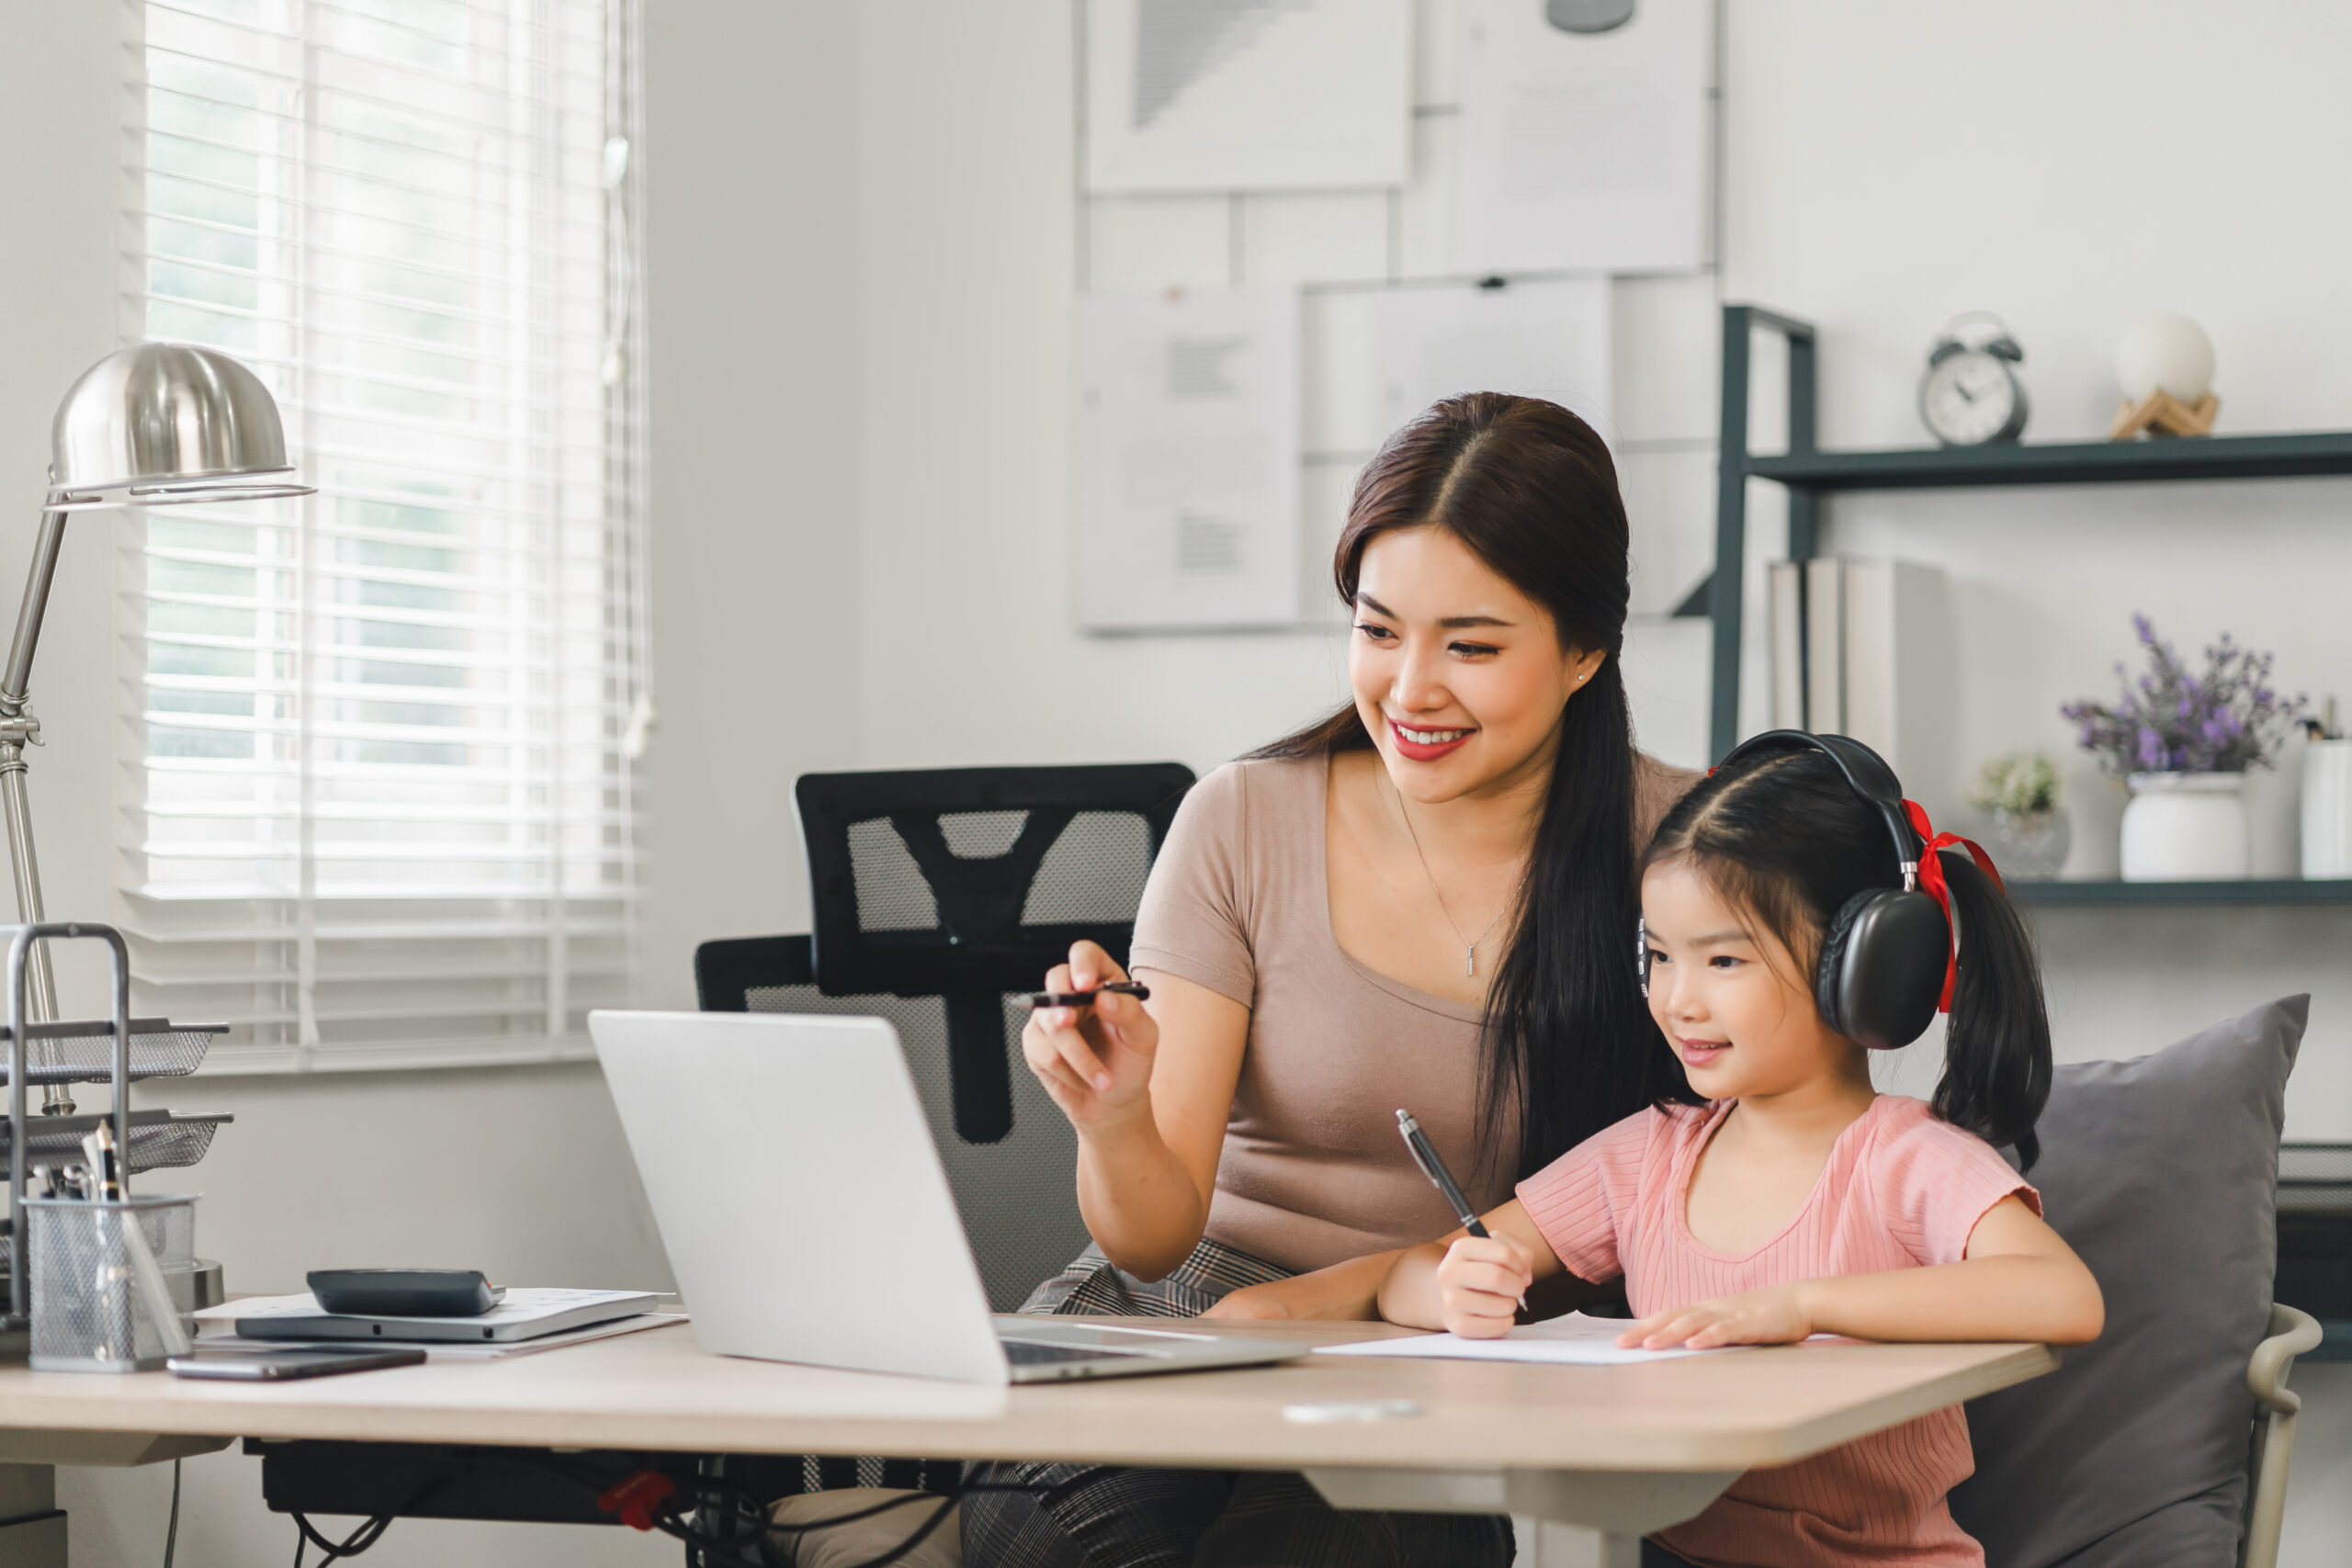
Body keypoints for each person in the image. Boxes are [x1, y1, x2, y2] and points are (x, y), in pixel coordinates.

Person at [960, 393, 1698, 1568]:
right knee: (1055, 1546)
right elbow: (1152, 1240)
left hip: (1453, 1348)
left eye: (1470, 644)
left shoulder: (1687, 849)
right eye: (1377, 628)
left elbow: (1728, 1169)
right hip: (1193, 1313)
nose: (1409, 690)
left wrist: (1372, 1294)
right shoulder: (1244, 819)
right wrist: (1112, 1119)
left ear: (1583, 652)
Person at [1376, 738, 2107, 1568]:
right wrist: (1451, 1288)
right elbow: (1409, 1273)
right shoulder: (1646, 1155)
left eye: (1724, 959)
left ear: (1863, 966)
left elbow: (2063, 1295)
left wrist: (1804, 1307)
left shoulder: (1903, 1159)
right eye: (1657, 956)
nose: (1676, 999)